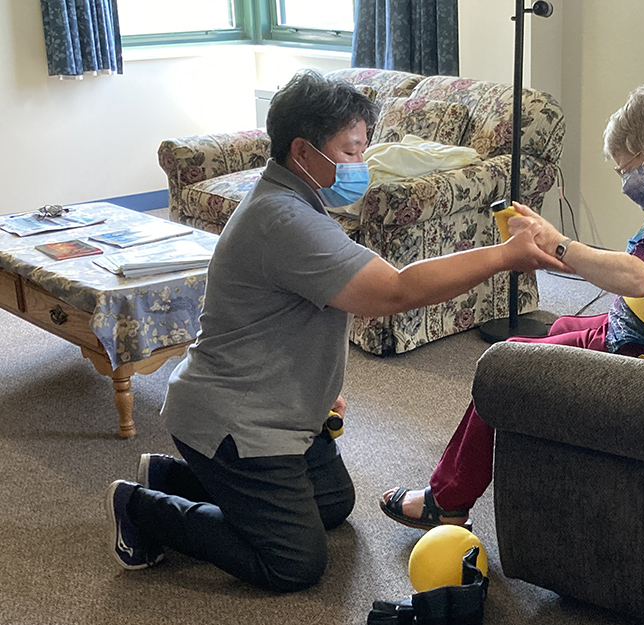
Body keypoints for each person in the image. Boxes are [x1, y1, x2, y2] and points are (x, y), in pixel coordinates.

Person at [103, 69, 562, 592]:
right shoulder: (283, 220)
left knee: (332, 504)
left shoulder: (296, 200)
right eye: (349, 152)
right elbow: (395, 292)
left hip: (280, 407)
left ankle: (174, 476)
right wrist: (504, 255)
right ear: (302, 150)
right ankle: (142, 506)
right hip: (234, 416)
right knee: (295, 563)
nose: (360, 166)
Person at [380, 81, 644, 530]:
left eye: (629, 170)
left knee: (503, 364)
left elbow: (640, 275)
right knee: (558, 331)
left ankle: (448, 500)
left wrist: (560, 246)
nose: (627, 185)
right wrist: (558, 244)